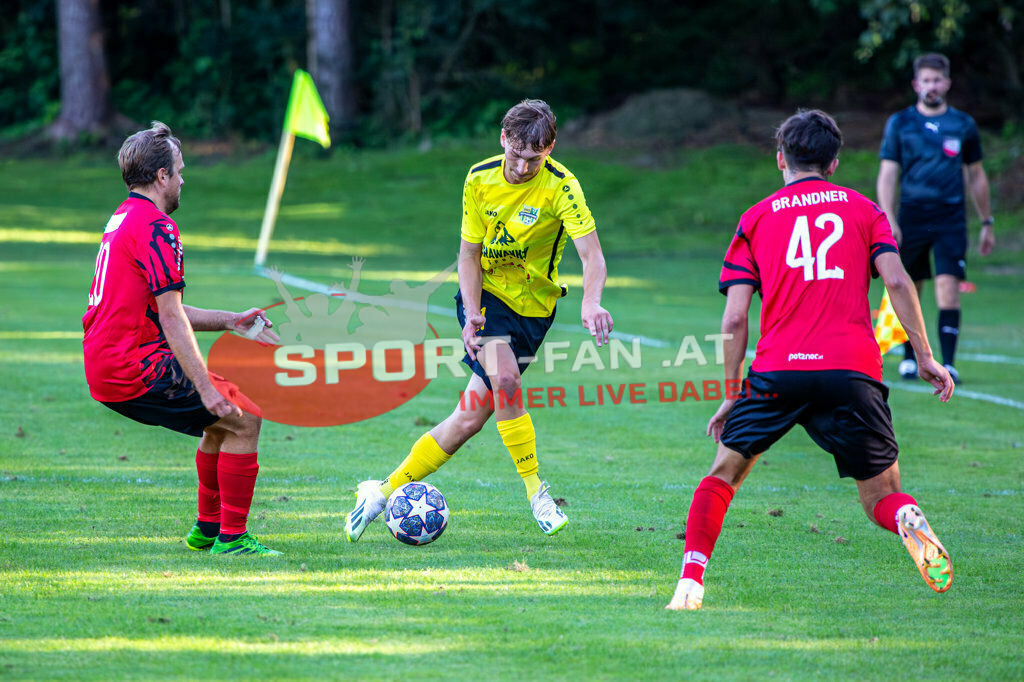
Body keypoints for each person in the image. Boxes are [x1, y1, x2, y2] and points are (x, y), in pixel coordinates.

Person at [666, 110, 956, 611]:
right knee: (881, 497)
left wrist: (732, 394)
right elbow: (899, 282)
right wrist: (926, 356)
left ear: (781, 158)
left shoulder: (756, 218)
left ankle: (690, 582)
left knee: (723, 476)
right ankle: (906, 515)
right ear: (835, 162)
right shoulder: (865, 211)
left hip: (779, 371)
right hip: (852, 371)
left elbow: (735, 320)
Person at [345, 99, 614, 541]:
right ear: (503, 139)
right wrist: (472, 315)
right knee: (507, 381)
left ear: (550, 149)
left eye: (536, 158)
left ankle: (380, 492)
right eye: (518, 156)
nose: (525, 168)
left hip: (535, 310)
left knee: (469, 418)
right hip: (485, 299)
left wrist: (591, 302)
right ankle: (537, 494)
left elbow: (592, 255)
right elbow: (468, 254)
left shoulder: (563, 187)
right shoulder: (479, 178)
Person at [83, 121, 282, 556]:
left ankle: (208, 530)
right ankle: (233, 538)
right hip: (132, 364)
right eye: (179, 169)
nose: (182, 179)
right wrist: (206, 388)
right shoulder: (157, 227)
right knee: (243, 418)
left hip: (107, 362)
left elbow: (156, 308)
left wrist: (231, 320)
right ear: (161, 177)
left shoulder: (122, 218)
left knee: (221, 424)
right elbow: (171, 318)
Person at [876, 52, 995, 384]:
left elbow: (976, 175)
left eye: (937, 80)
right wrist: (888, 218)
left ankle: (950, 361)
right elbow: (888, 174)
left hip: (950, 218)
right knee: (908, 286)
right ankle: (910, 358)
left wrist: (987, 221)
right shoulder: (900, 123)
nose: (932, 86)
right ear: (916, 84)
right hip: (911, 216)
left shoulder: (963, 125)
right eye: (925, 80)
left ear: (947, 83)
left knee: (948, 288)